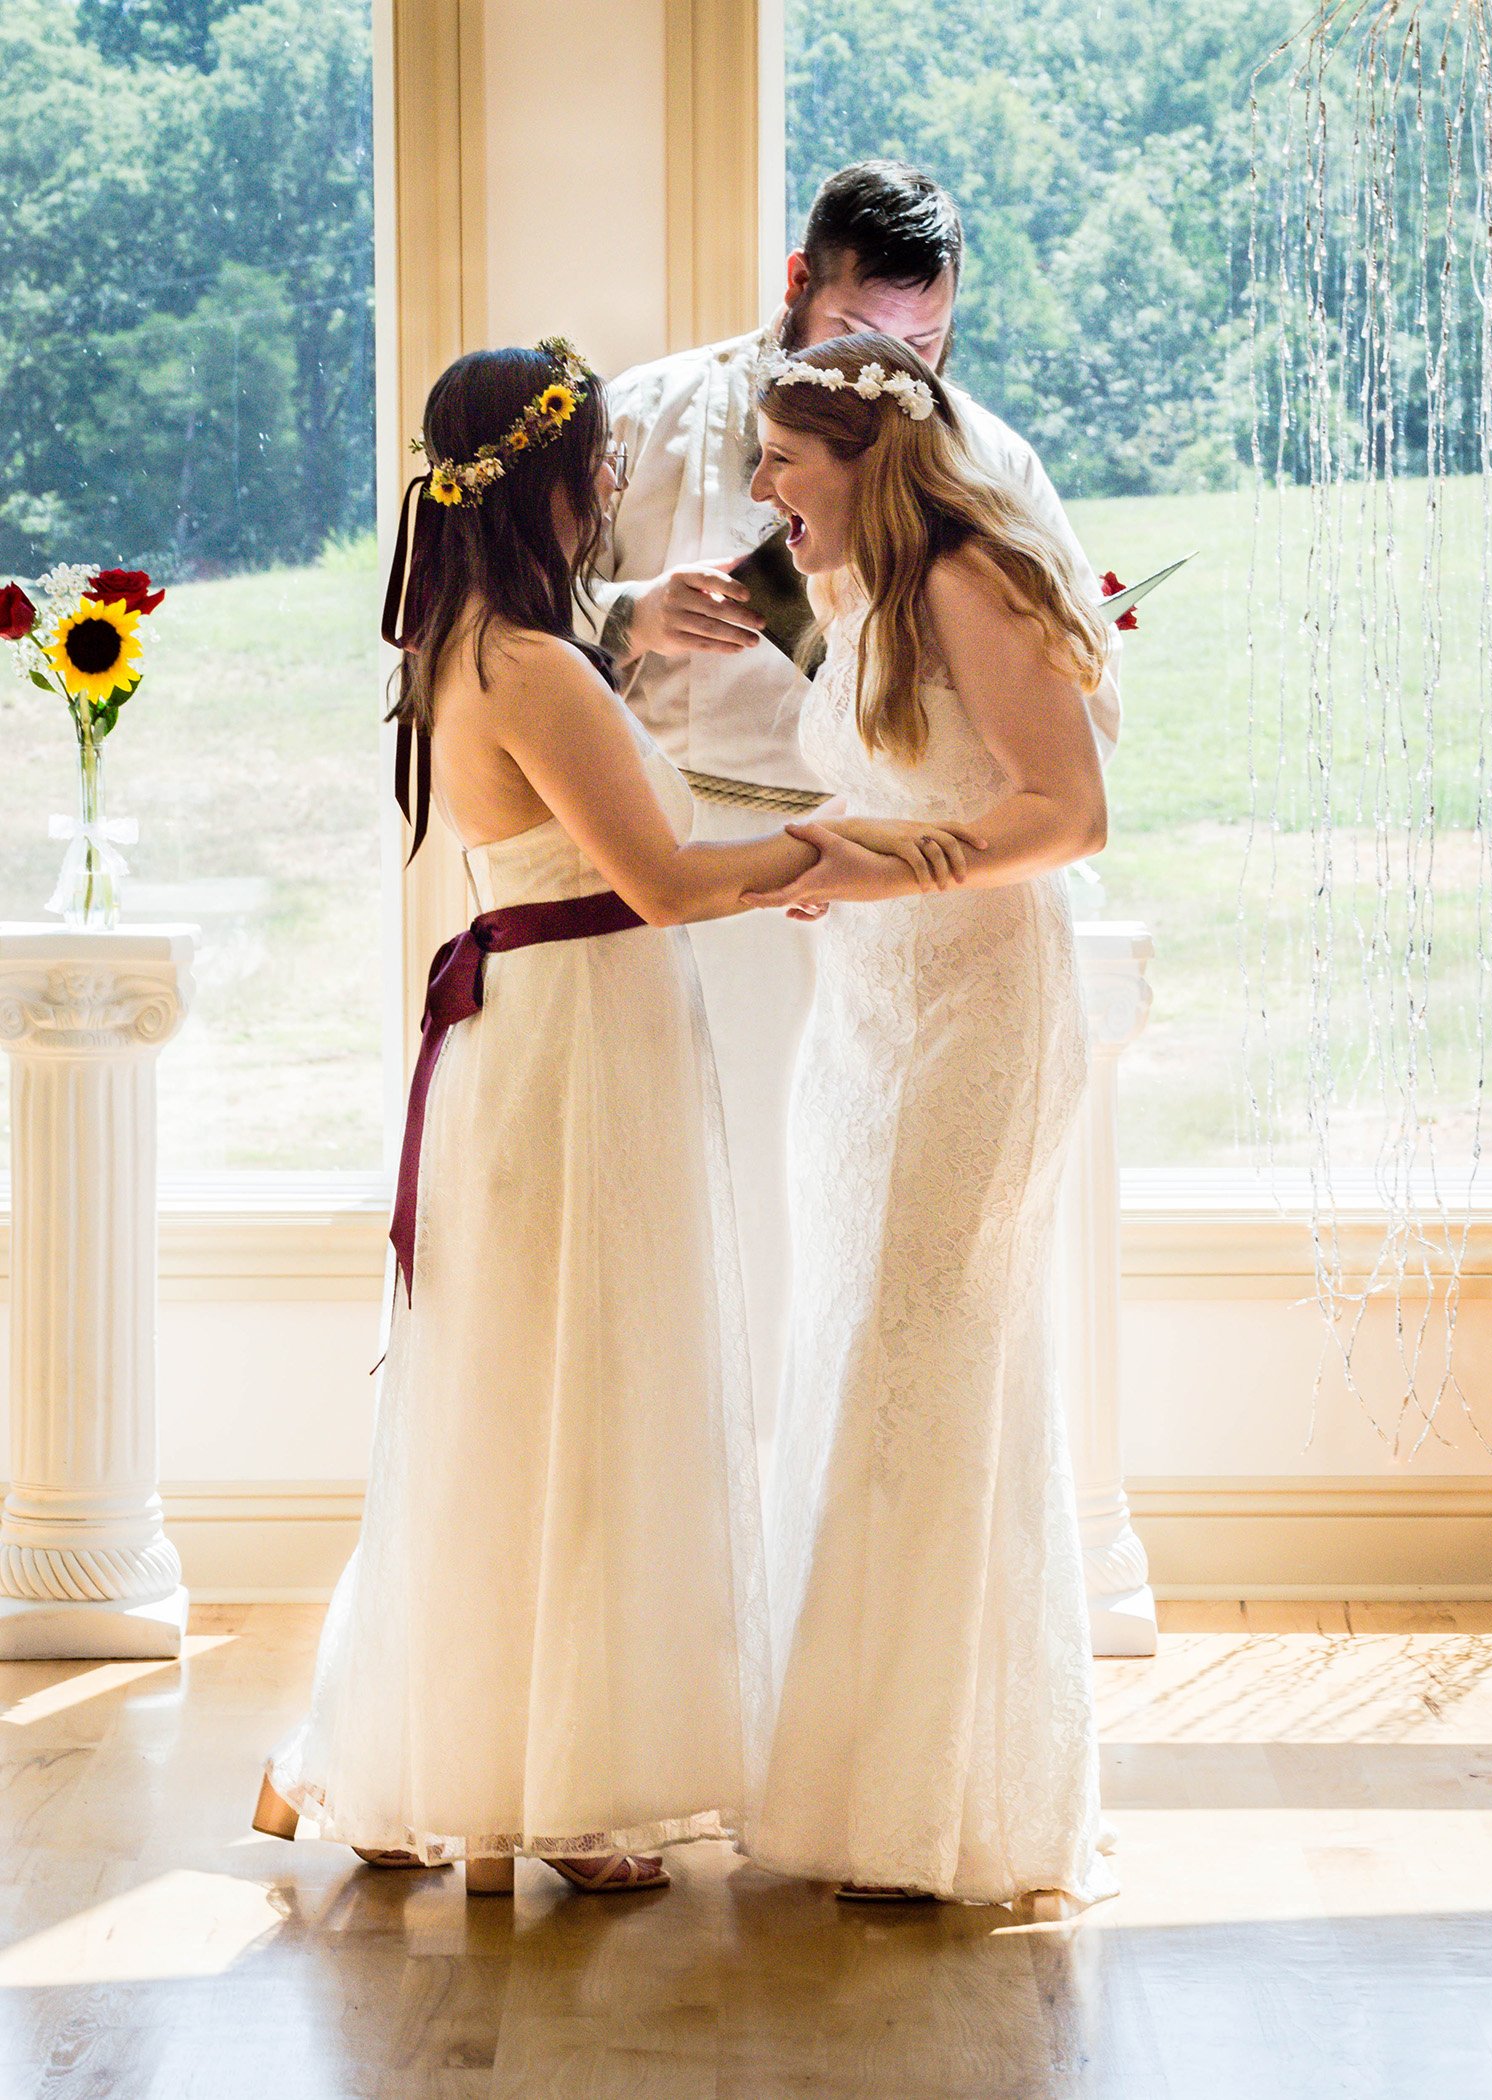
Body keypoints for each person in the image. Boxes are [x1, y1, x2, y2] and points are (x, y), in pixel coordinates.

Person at [250, 339, 980, 1896]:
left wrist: (789, 835)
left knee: (519, 1395)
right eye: (603, 480)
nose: (613, 504)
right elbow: (660, 882)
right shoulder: (535, 664)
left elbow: (632, 841)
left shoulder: (468, 639)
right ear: (563, 489)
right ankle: (567, 1789)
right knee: (590, 1394)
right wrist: (849, 856)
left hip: (552, 1035)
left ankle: (442, 1755)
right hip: (578, 1048)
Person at [590, 159, 1121, 1454]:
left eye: (928, 348)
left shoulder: (987, 465)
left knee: (880, 1318)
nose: (905, 383)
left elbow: (1084, 731)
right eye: (861, 343)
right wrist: (629, 620)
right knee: (692, 1274)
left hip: (899, 922)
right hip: (675, 892)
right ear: (795, 286)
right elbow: (492, 648)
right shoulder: (644, 421)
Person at [739, 332, 1121, 1911]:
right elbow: (912, 794)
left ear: (863, 461)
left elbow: (1072, 812)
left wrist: (882, 866)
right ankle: (844, 1784)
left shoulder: (967, 576)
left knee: (931, 1363)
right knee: (854, 1351)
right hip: (869, 1021)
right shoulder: (857, 601)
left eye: (783, 462)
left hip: (979, 1014)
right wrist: (852, 860)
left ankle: (947, 1804)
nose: (763, 491)